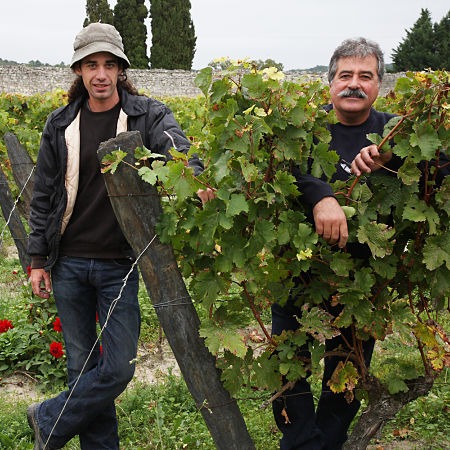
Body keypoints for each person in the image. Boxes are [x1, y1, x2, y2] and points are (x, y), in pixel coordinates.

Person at [26, 22, 203, 449]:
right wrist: (36, 259)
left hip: (118, 265)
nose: (101, 73)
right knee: (81, 369)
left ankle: (48, 417)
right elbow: (45, 192)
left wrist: (194, 177)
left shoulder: (148, 114)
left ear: (122, 69)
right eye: (91, 65)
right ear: (79, 71)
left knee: (119, 367)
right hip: (68, 262)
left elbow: (179, 150)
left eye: (109, 64)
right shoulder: (61, 123)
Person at [271, 37, 400, 450]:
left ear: (379, 85)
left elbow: (441, 163)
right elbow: (278, 167)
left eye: (366, 76)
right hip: (297, 275)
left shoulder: (396, 132)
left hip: (362, 285)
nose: (354, 84)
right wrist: (320, 194)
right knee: (286, 372)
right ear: (330, 83)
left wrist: (391, 160)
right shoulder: (303, 129)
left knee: (345, 382)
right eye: (345, 75)